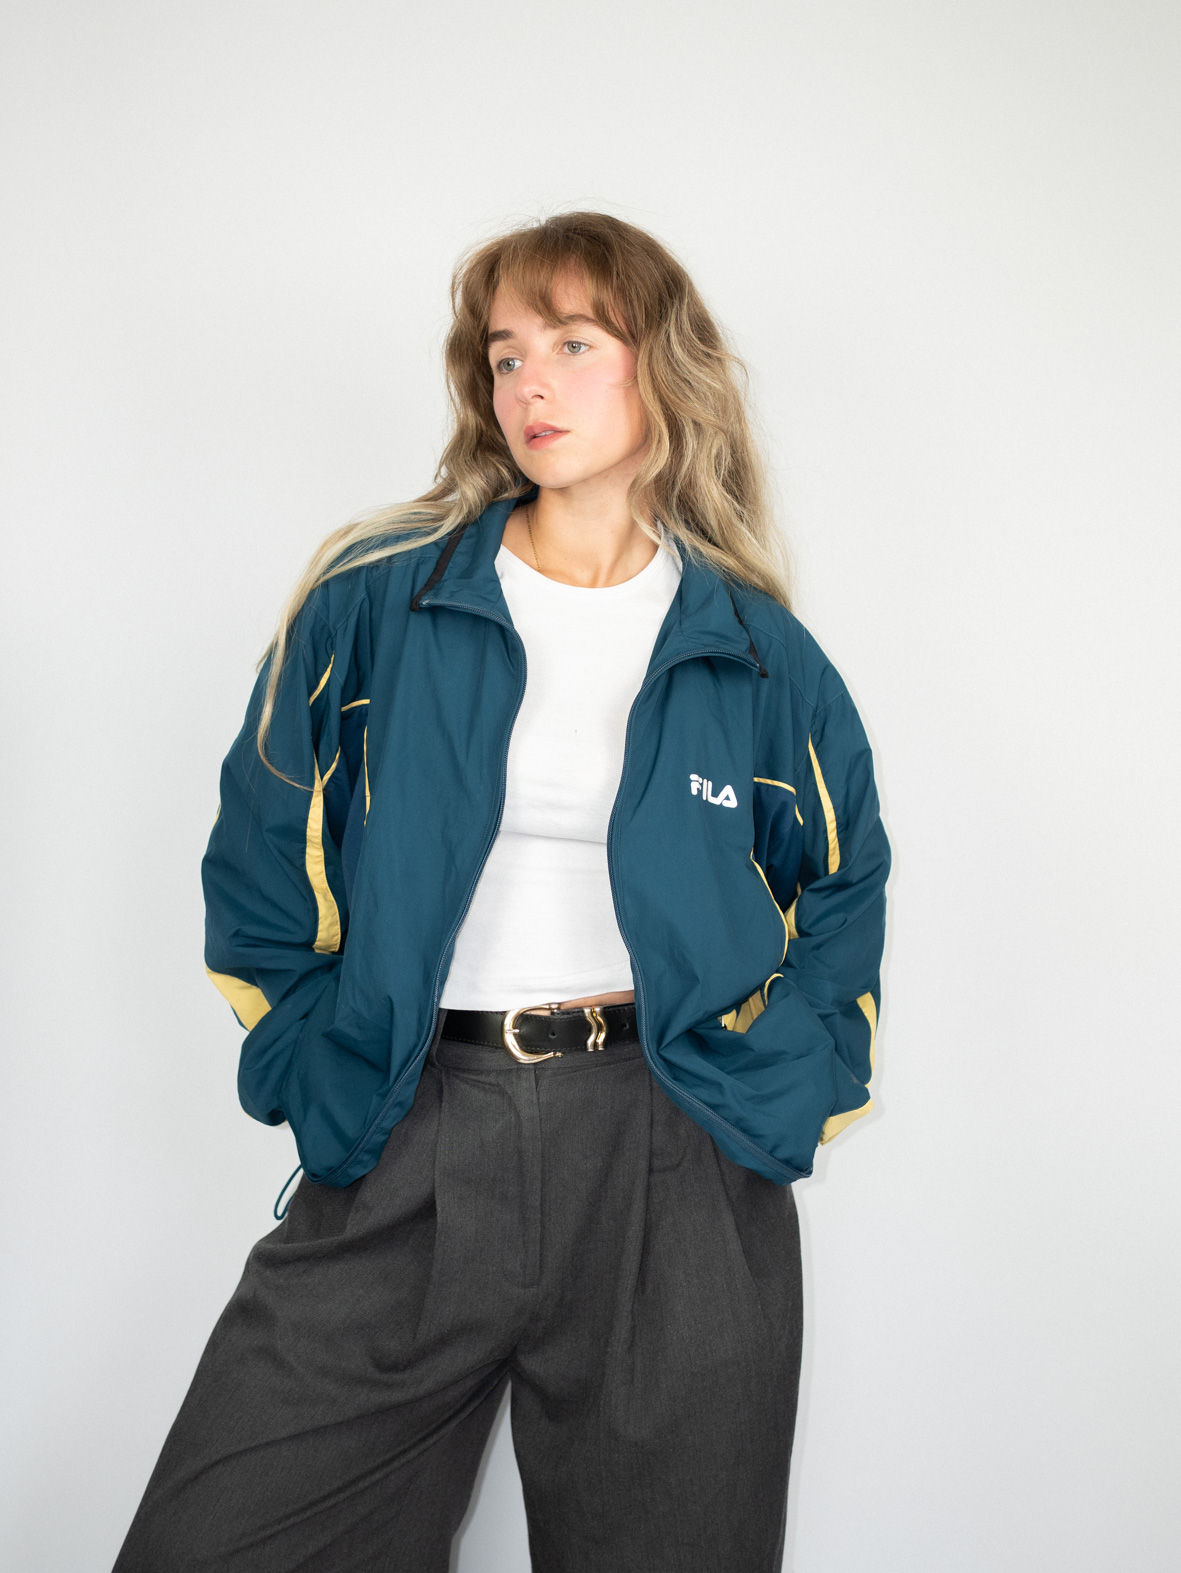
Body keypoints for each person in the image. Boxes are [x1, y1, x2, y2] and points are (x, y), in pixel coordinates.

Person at [115, 211, 890, 1573]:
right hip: (409, 1128)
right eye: (505, 354)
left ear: (662, 365)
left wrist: (788, 1082)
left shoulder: (761, 655)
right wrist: (319, 1064)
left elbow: (842, 888)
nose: (531, 384)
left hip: (670, 1159)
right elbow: (261, 860)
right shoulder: (375, 600)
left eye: (574, 345)